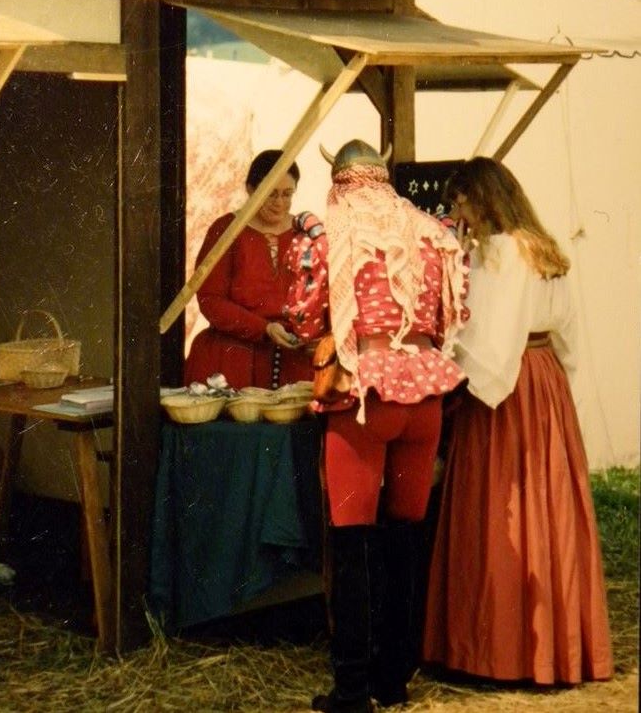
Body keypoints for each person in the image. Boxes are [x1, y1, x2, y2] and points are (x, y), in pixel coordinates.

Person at [284, 140, 468, 713]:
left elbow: (304, 314)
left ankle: (352, 689)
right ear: (384, 179)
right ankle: (395, 678)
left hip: (364, 393)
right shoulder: (432, 232)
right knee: (406, 534)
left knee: (353, 535)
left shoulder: (330, 232)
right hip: (425, 391)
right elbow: (453, 313)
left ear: (339, 181)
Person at [423, 156, 614, 685]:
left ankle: (498, 653)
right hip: (544, 379)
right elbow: (567, 336)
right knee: (547, 510)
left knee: (502, 508)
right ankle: (556, 649)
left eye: (461, 201)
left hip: (506, 391)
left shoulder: (503, 252)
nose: (456, 211)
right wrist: (556, 389)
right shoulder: (544, 246)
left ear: (483, 199)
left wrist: (452, 370)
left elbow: (491, 337)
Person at [185, 149, 312, 390]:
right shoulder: (226, 230)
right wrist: (262, 328)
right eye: (271, 194)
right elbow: (210, 300)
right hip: (232, 359)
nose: (280, 203)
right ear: (250, 190)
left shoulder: (305, 233)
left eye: (287, 194)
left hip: (292, 359)